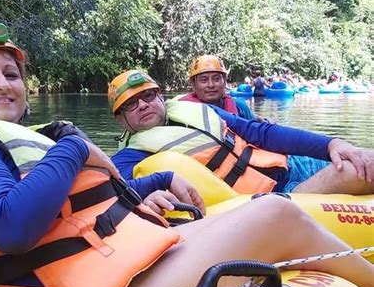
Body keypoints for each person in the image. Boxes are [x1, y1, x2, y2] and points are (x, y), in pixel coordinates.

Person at [0, 22, 374, 287]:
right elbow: (11, 225)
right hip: (98, 284)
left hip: (130, 253)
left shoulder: (33, 141)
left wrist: (151, 183)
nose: (3, 83)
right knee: (276, 214)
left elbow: (82, 207)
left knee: (265, 210)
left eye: (11, 73)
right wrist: (75, 144)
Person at [109, 70, 374, 196]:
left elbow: (260, 133)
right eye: (131, 104)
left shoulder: (199, 111)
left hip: (291, 164)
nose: (143, 104)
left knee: (366, 158)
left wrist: (331, 144)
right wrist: (148, 193)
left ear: (160, 97)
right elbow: (111, 191)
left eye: (148, 95)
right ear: (121, 120)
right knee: (354, 171)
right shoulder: (132, 157)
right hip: (273, 197)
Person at [176, 55, 256, 120]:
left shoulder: (240, 106)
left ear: (224, 81)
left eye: (216, 79)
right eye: (204, 80)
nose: (211, 85)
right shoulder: (182, 110)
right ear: (193, 84)